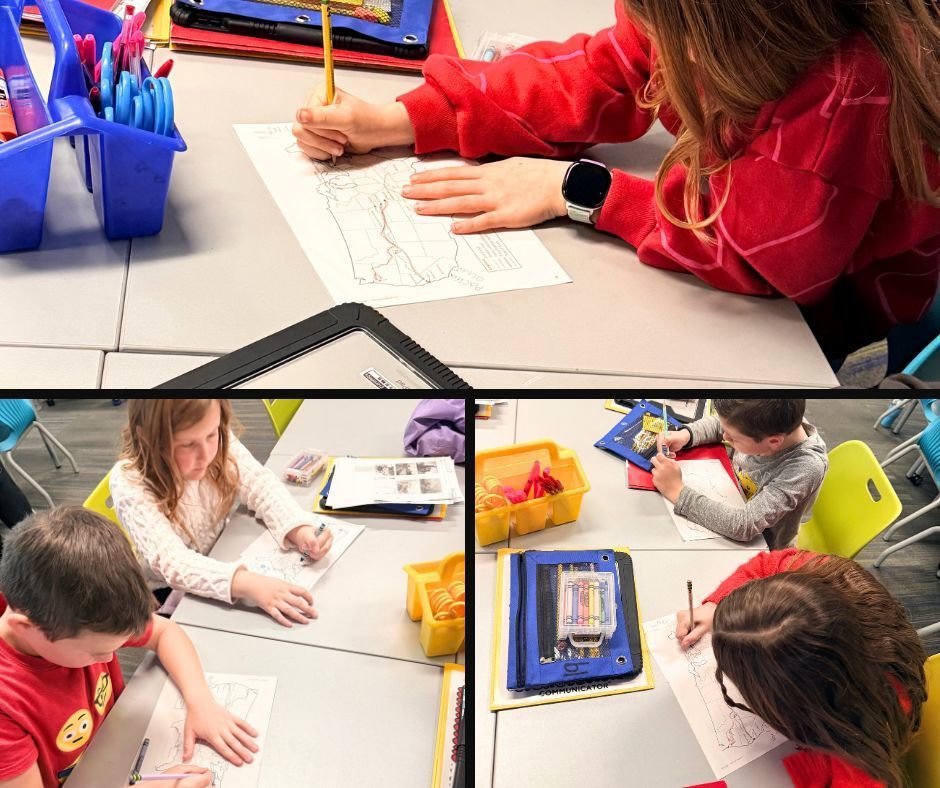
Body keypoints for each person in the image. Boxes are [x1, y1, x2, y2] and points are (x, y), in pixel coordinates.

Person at [292, 0, 940, 360]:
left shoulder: (849, 87)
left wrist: (575, 189)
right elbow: (595, 72)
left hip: (822, 313)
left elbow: (761, 261)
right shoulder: (711, 19)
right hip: (770, 221)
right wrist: (403, 118)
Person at [0, 507, 259, 788]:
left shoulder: (69, 617)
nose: (110, 658)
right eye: (96, 653)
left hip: (114, 750)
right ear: (25, 627)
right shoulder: (6, 709)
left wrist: (201, 702)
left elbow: (164, 632)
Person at [677, 549, 926, 788]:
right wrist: (716, 607)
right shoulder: (825, 576)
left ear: (794, 702)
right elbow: (768, 563)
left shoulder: (862, 737)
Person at [110, 400, 333, 627]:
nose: (206, 454)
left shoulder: (210, 430)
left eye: (212, 434)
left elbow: (257, 482)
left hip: (222, 554)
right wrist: (246, 582)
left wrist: (297, 527)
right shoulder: (130, 482)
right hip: (170, 593)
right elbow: (173, 563)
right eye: (187, 444)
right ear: (148, 437)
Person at [651, 399, 827, 549]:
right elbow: (725, 426)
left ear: (774, 441)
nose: (725, 437)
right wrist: (687, 435)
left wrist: (677, 491)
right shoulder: (768, 422)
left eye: (734, 439)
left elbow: (744, 525)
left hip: (761, 546)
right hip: (728, 500)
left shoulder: (804, 468)